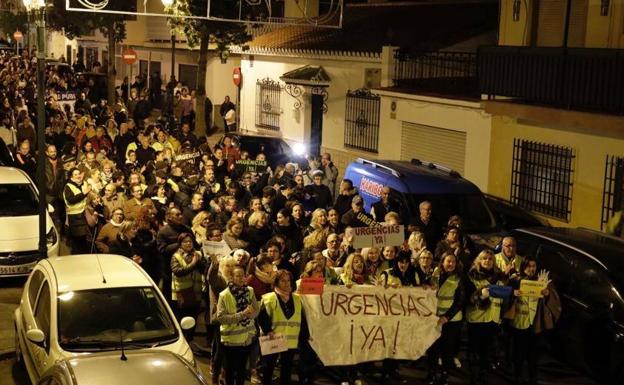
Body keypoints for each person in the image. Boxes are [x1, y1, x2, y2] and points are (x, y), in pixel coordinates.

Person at [508, 257, 552, 385]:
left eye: (534, 266)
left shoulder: (540, 281)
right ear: (523, 267)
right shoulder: (515, 280)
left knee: (533, 353)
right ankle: (517, 376)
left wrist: (547, 293)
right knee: (519, 352)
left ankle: (533, 377)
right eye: (529, 266)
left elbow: (549, 300)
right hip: (519, 321)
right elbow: (506, 297)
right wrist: (513, 293)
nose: (531, 269)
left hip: (535, 323)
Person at [466, 249, 507, 385]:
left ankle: (483, 376)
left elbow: (503, 299)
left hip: (493, 320)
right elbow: (467, 298)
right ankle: (474, 376)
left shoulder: (499, 277)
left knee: (487, 352)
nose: (487, 261)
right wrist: (480, 295)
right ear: (479, 260)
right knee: (474, 351)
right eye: (484, 258)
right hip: (477, 320)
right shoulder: (471, 276)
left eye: (490, 259)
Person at [215, 266, 260, 385]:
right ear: (232, 277)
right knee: (230, 370)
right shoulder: (224, 295)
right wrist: (242, 314)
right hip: (231, 340)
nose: (241, 278)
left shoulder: (250, 290)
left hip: (246, 338)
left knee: (241, 371)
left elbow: (256, 309)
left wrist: (251, 315)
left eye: (243, 275)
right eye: (238, 275)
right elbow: (221, 318)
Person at [258, 270, 302, 385]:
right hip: (273, 338)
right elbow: (261, 317)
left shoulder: (298, 299)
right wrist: (268, 331)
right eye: (283, 280)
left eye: (288, 280)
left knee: (286, 370)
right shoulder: (269, 298)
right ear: (276, 282)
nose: (287, 283)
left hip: (291, 340)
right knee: (268, 369)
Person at [428, 252, 466, 385]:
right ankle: (432, 374)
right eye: (448, 261)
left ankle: (444, 375)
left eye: (453, 262)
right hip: (433, 318)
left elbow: (460, 301)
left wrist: (447, 317)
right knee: (433, 348)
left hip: (451, 321)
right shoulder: (434, 274)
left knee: (447, 350)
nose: (450, 264)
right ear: (442, 262)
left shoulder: (458, 278)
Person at [171, 232, 205, 342]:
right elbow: (177, 271)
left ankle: (190, 340)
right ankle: (183, 340)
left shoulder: (197, 254)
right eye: (185, 242)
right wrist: (193, 263)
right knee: (183, 319)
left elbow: (203, 269)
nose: (189, 244)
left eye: (190, 241)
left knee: (193, 318)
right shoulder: (176, 256)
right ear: (180, 243)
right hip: (183, 293)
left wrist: (199, 261)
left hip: (196, 292)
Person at [63, 168, 91, 253]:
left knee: (87, 238)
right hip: (75, 216)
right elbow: (70, 200)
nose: (78, 176)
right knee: (79, 239)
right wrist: (83, 193)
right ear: (71, 176)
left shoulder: (84, 183)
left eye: (79, 173)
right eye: (75, 174)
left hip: (86, 213)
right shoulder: (68, 186)